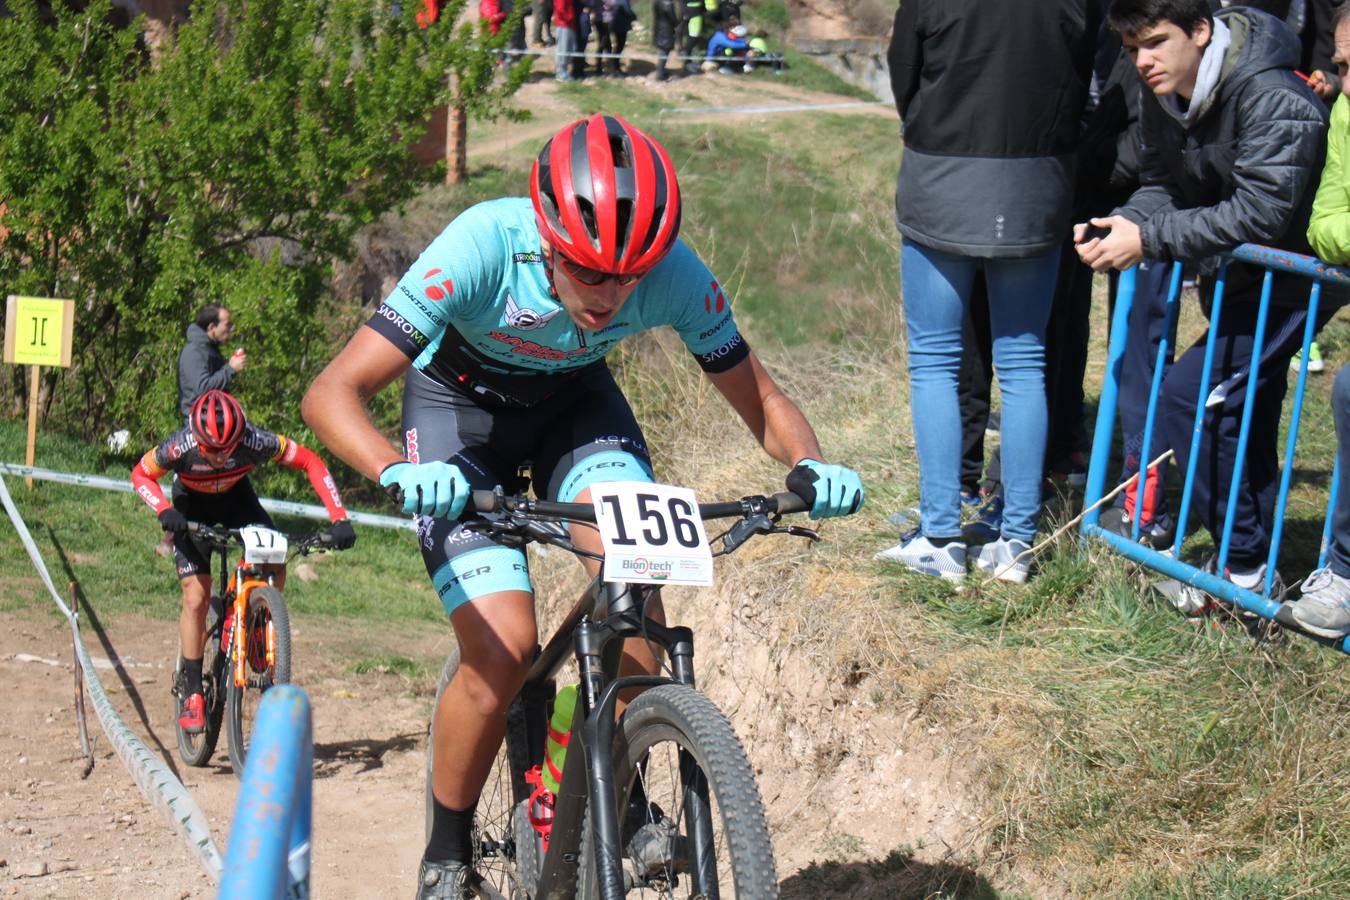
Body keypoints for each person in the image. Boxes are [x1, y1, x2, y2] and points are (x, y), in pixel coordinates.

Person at [300, 114, 864, 898]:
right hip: (458, 418)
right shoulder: (483, 245)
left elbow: (760, 397)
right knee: (501, 653)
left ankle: (615, 776)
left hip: (574, 407)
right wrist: (395, 469)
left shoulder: (673, 273)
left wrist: (811, 462)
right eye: (588, 272)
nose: (610, 296)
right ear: (546, 236)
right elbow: (332, 392)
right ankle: (447, 854)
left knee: (637, 586)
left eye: (629, 277)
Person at [1077, 0, 1343, 612]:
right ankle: (1245, 558)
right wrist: (1121, 222)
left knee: (1189, 398)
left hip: (1294, 279)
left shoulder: (1273, 95)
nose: (1143, 61)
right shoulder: (1165, 93)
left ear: (1200, 30)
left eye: (1155, 43)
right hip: (1242, 277)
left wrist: (1148, 239)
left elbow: (1266, 211)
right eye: (1131, 49)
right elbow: (1162, 183)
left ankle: (1243, 571)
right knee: (1236, 411)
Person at [874, 0, 1100, 584]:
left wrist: (930, 127)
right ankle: (1016, 543)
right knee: (1025, 363)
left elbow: (905, 72)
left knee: (934, 362)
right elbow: (1085, 80)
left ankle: (941, 536)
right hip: (1039, 182)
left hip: (943, 174)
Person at [131, 390, 356, 732]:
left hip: (237, 499)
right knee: (196, 597)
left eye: (229, 448)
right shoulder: (178, 446)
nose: (221, 456)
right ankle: (192, 691)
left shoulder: (256, 440)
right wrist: (164, 510)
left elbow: (311, 461)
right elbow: (140, 475)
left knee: (275, 555)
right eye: (212, 450)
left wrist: (339, 518)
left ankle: (259, 618)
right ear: (196, 439)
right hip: (191, 504)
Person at [1288, 3, 1350, 638]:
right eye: (1341, 66)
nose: (1346, 83)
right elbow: (1324, 225)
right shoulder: (1345, 115)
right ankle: (1346, 574)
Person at [177, 304, 245, 424]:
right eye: (228, 324)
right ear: (212, 327)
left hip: (216, 424)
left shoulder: (210, 349)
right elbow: (203, 388)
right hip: (199, 430)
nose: (232, 329)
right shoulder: (193, 352)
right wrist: (230, 369)